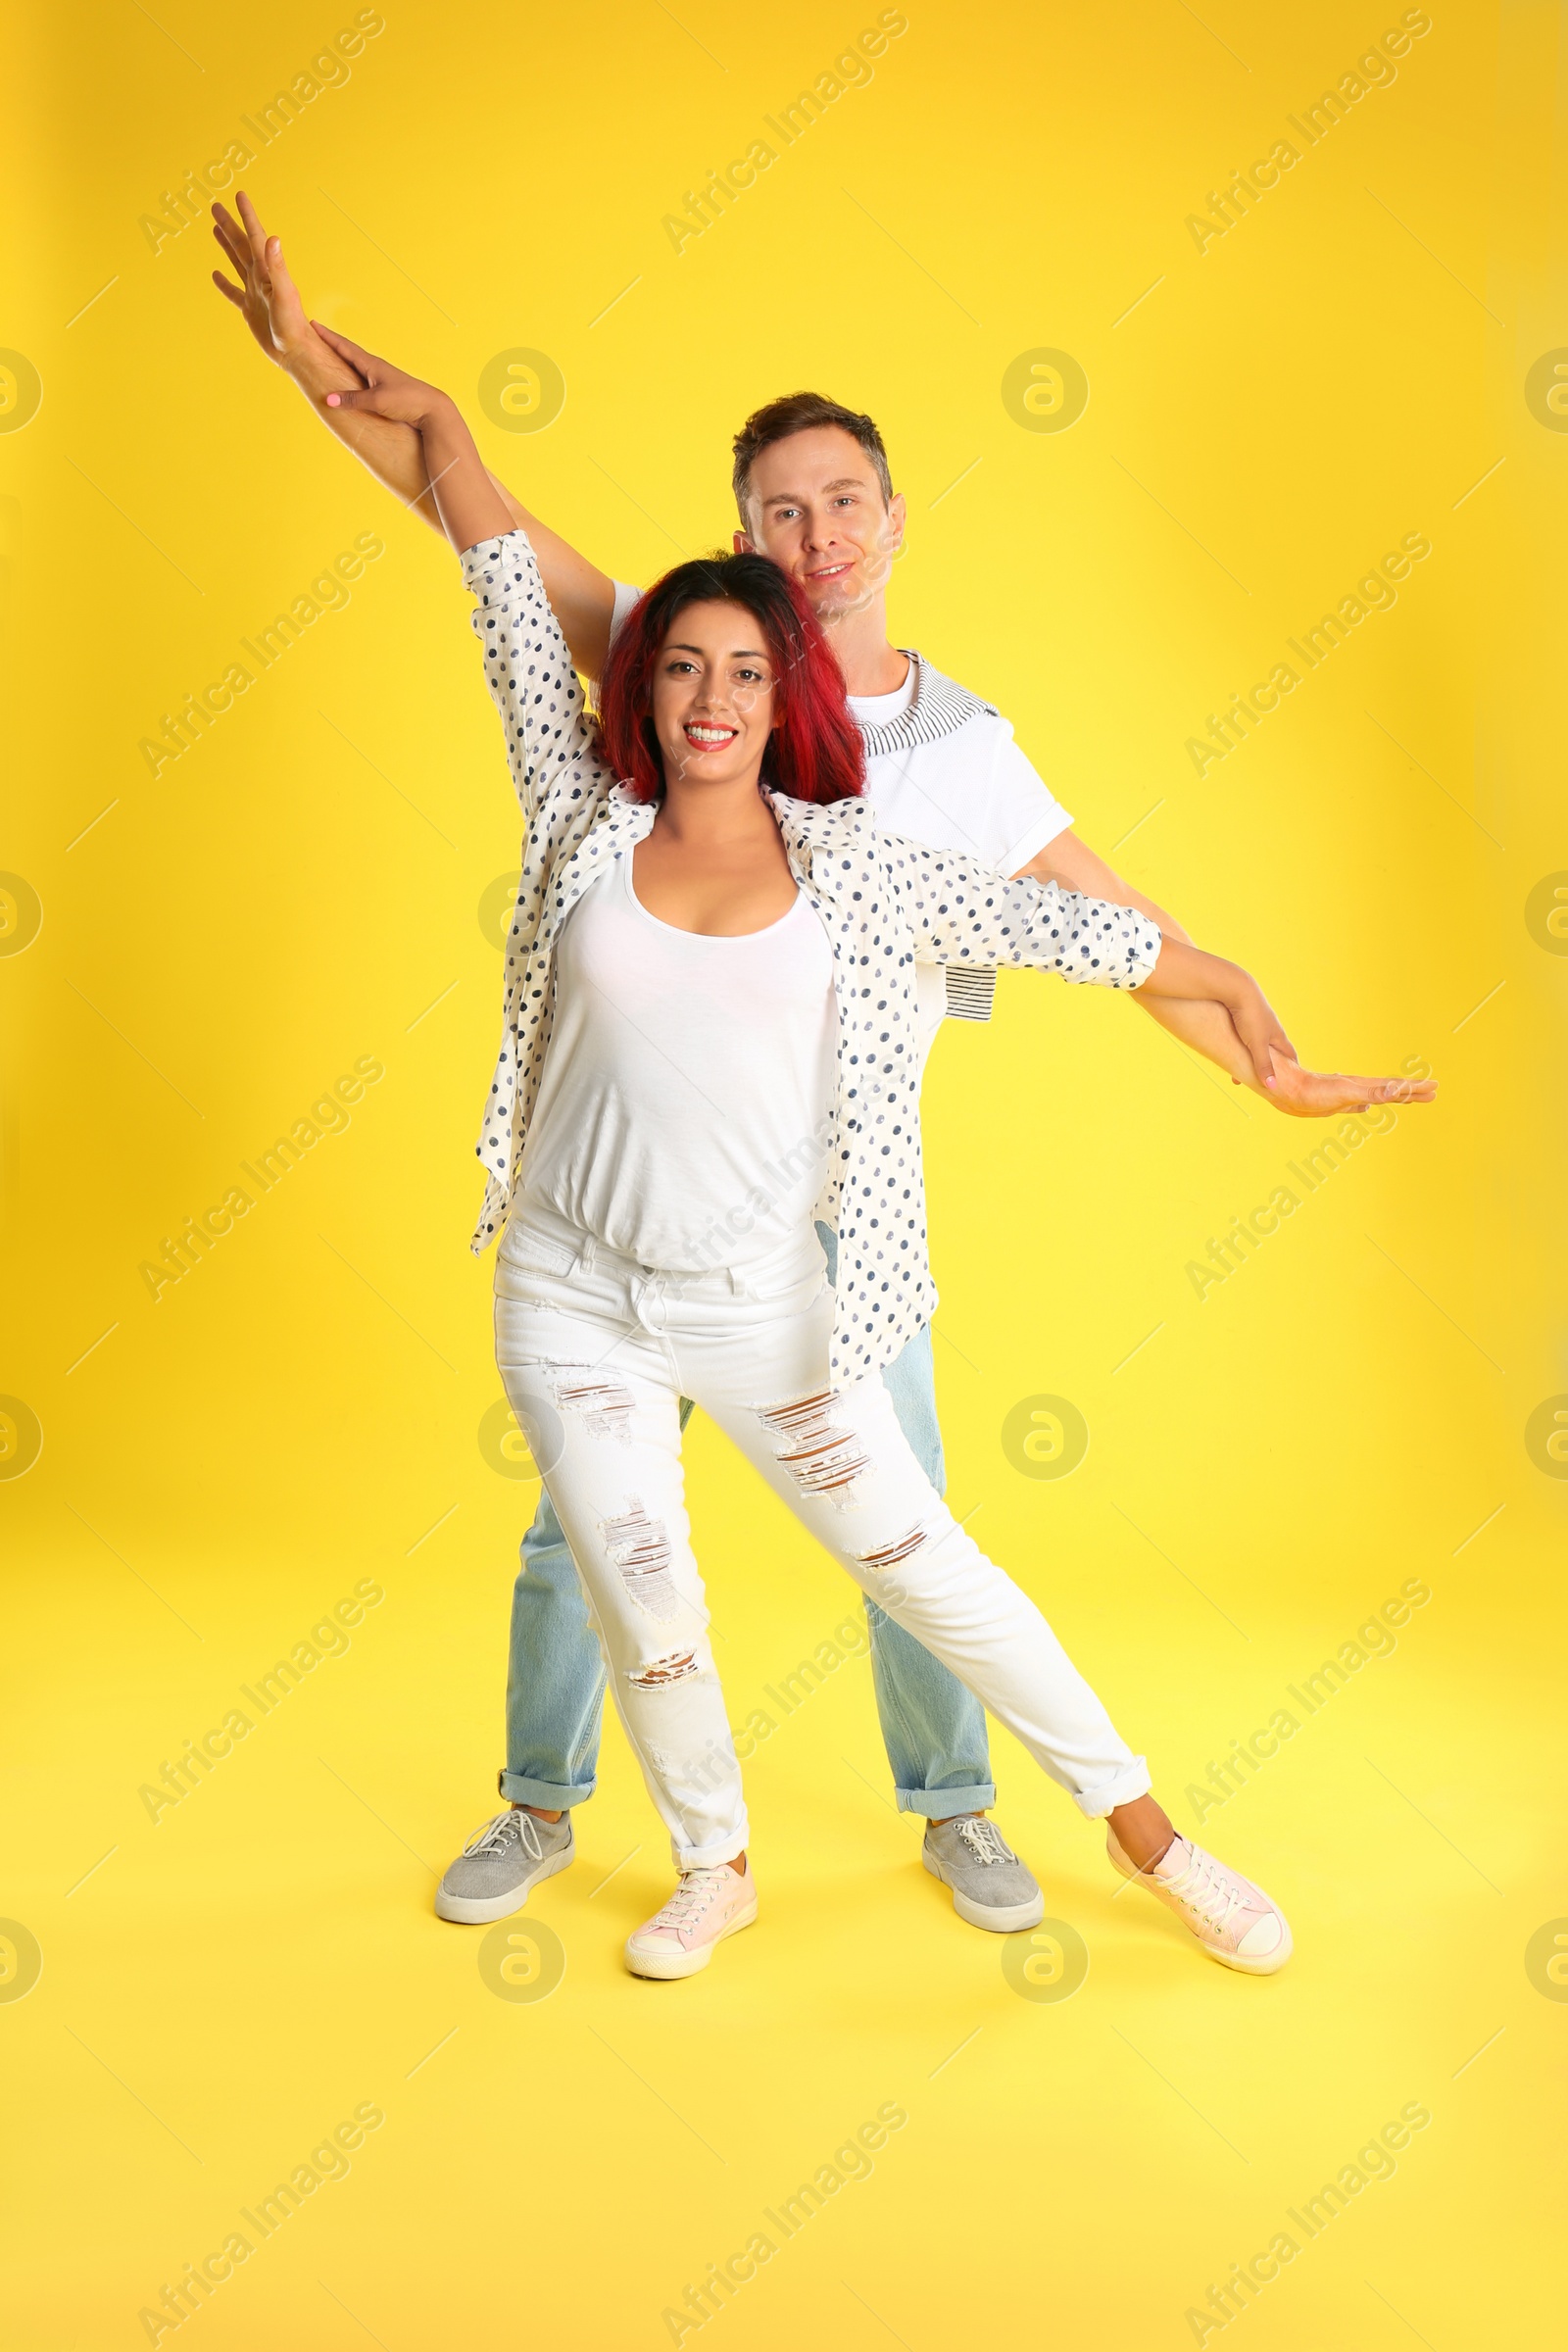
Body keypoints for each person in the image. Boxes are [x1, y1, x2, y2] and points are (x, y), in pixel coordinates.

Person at [210, 197, 1433, 1953]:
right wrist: (359, 391)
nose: (816, 536)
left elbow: (1092, 925)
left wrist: (1258, 1041)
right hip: (585, 1261)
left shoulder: (920, 792)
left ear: (891, 521)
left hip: (823, 1215)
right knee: (604, 1552)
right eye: (779, 513)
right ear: (722, 580)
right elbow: (487, 555)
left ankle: (997, 1818)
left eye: (844, 498)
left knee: (915, 1540)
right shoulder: (642, 738)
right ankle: (602, 1821)